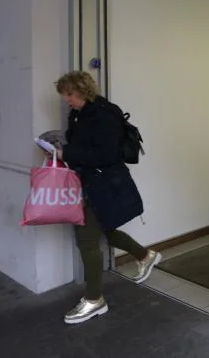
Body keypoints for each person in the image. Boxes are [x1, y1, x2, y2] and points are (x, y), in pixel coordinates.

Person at [53, 71, 161, 325]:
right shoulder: (78, 114)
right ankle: (145, 256)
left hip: (104, 184)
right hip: (88, 181)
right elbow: (80, 144)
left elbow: (106, 154)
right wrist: (59, 148)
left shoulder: (104, 114)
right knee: (106, 230)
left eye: (70, 94)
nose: (67, 99)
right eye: (64, 95)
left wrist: (66, 152)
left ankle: (94, 300)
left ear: (83, 89)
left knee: (86, 237)